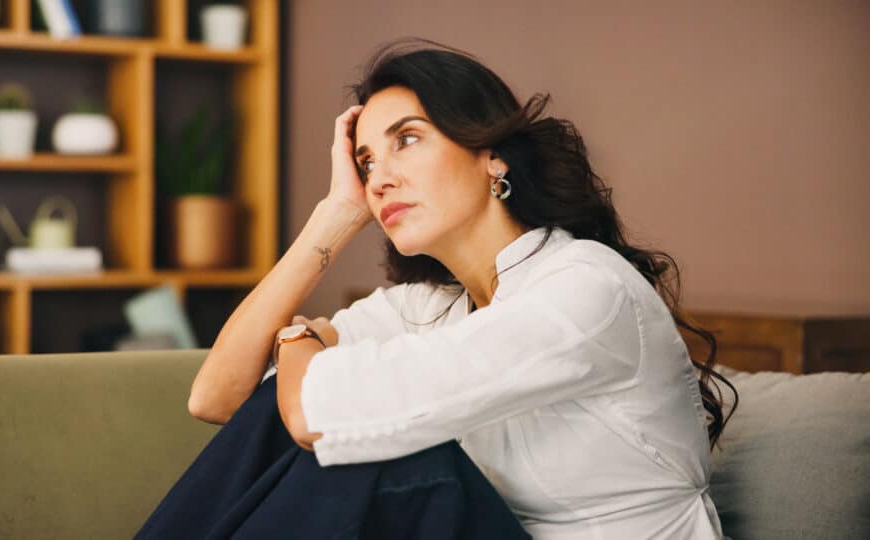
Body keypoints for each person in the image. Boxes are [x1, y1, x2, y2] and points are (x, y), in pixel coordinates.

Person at [136, 38, 737, 539]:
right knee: (339, 435)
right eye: (367, 162)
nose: (380, 178)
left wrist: (297, 335)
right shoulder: (437, 307)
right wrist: (335, 214)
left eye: (408, 138)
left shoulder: (586, 288)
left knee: (385, 461)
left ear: (492, 157)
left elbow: (311, 414)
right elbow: (216, 397)